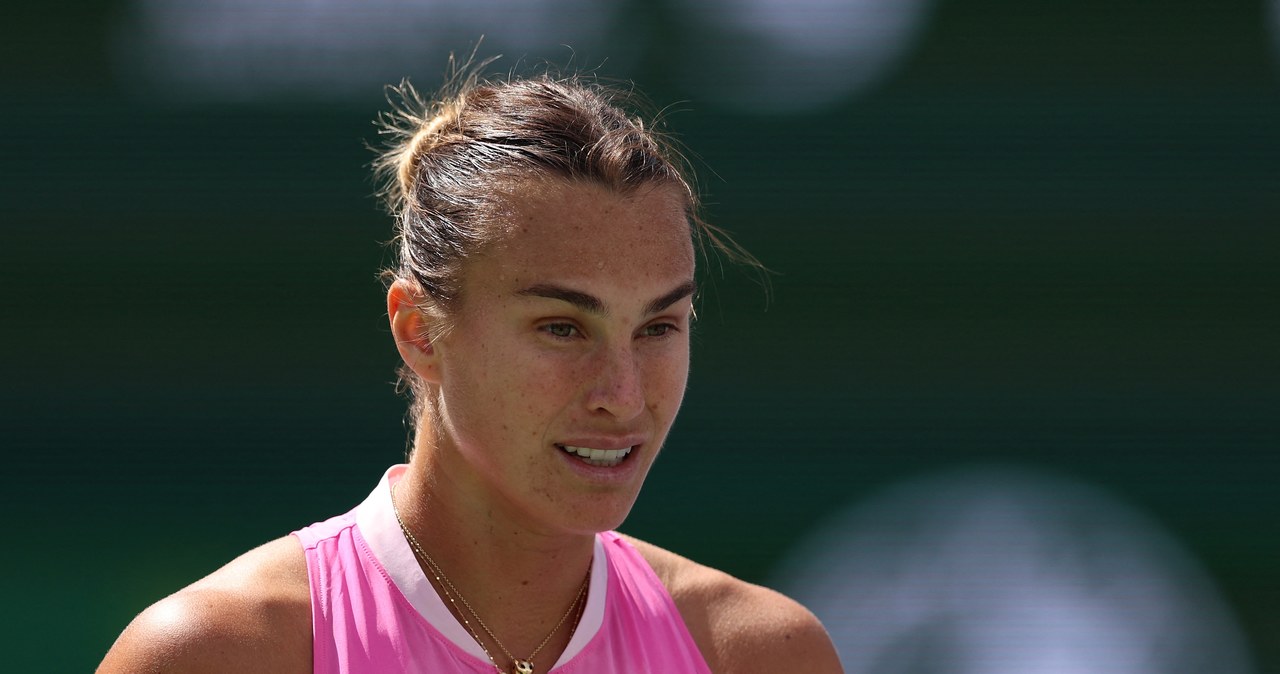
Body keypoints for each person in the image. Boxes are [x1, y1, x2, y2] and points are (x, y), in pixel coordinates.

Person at [99, 63, 843, 674]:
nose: (623, 395)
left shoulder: (762, 653)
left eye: (657, 327)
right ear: (419, 330)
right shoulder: (216, 654)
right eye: (561, 326)